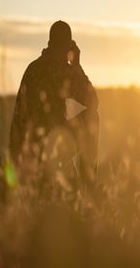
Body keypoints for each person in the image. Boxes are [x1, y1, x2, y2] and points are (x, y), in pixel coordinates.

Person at [9, 20, 99, 185]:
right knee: (92, 117)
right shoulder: (64, 71)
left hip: (26, 152)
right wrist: (77, 65)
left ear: (49, 43)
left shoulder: (33, 68)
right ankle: (88, 183)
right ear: (68, 47)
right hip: (45, 152)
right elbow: (92, 101)